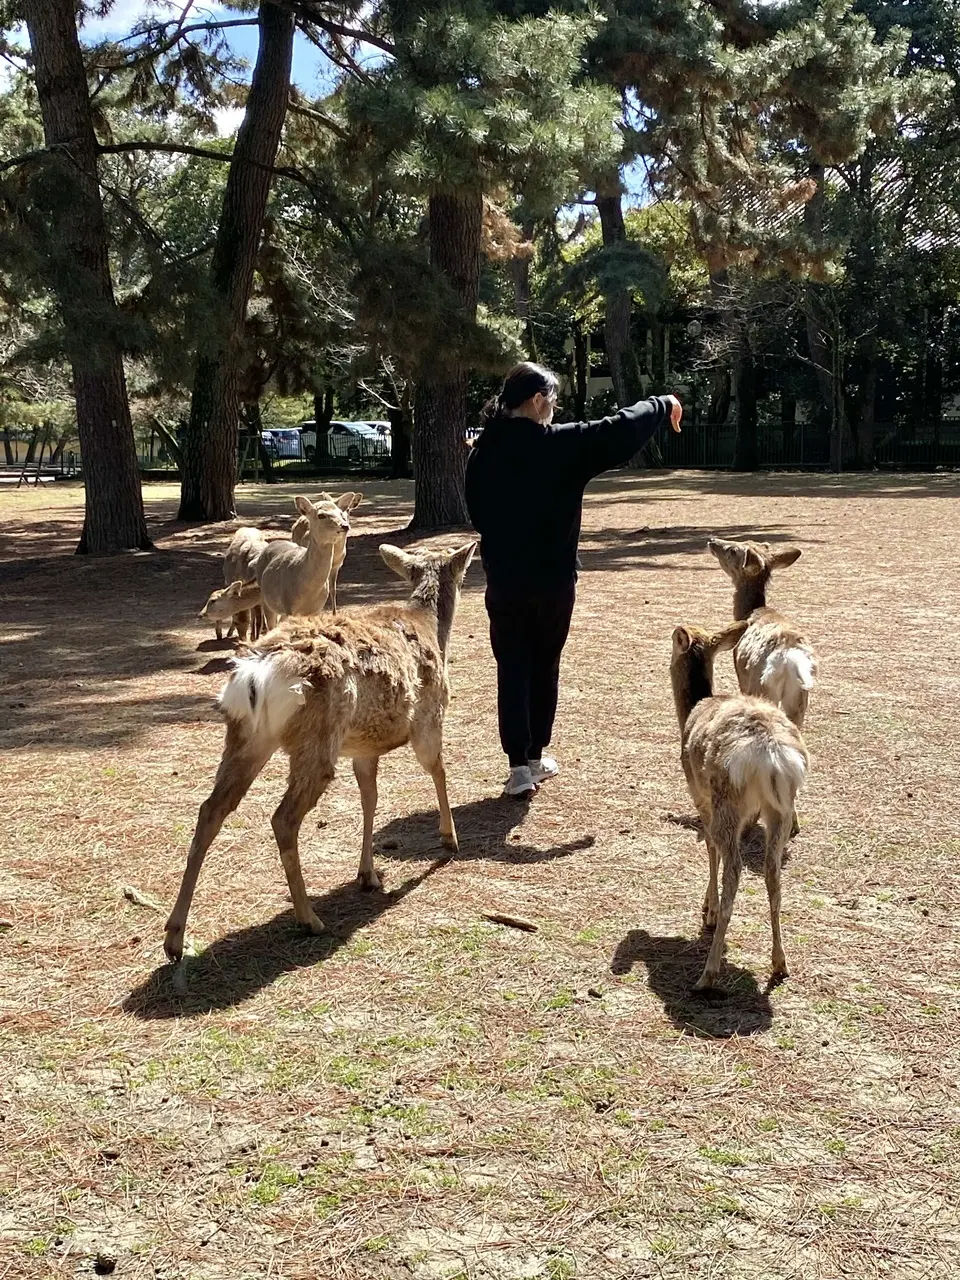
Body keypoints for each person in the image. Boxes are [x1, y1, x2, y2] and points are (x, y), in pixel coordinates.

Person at [465, 362, 683, 798]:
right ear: (537, 400)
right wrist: (663, 403)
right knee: (544, 663)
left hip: (505, 580)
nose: (556, 408)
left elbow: (478, 514)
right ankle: (532, 756)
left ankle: (519, 767)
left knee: (512, 666)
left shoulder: (482, 451)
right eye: (553, 400)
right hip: (552, 582)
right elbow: (617, 430)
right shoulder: (559, 446)